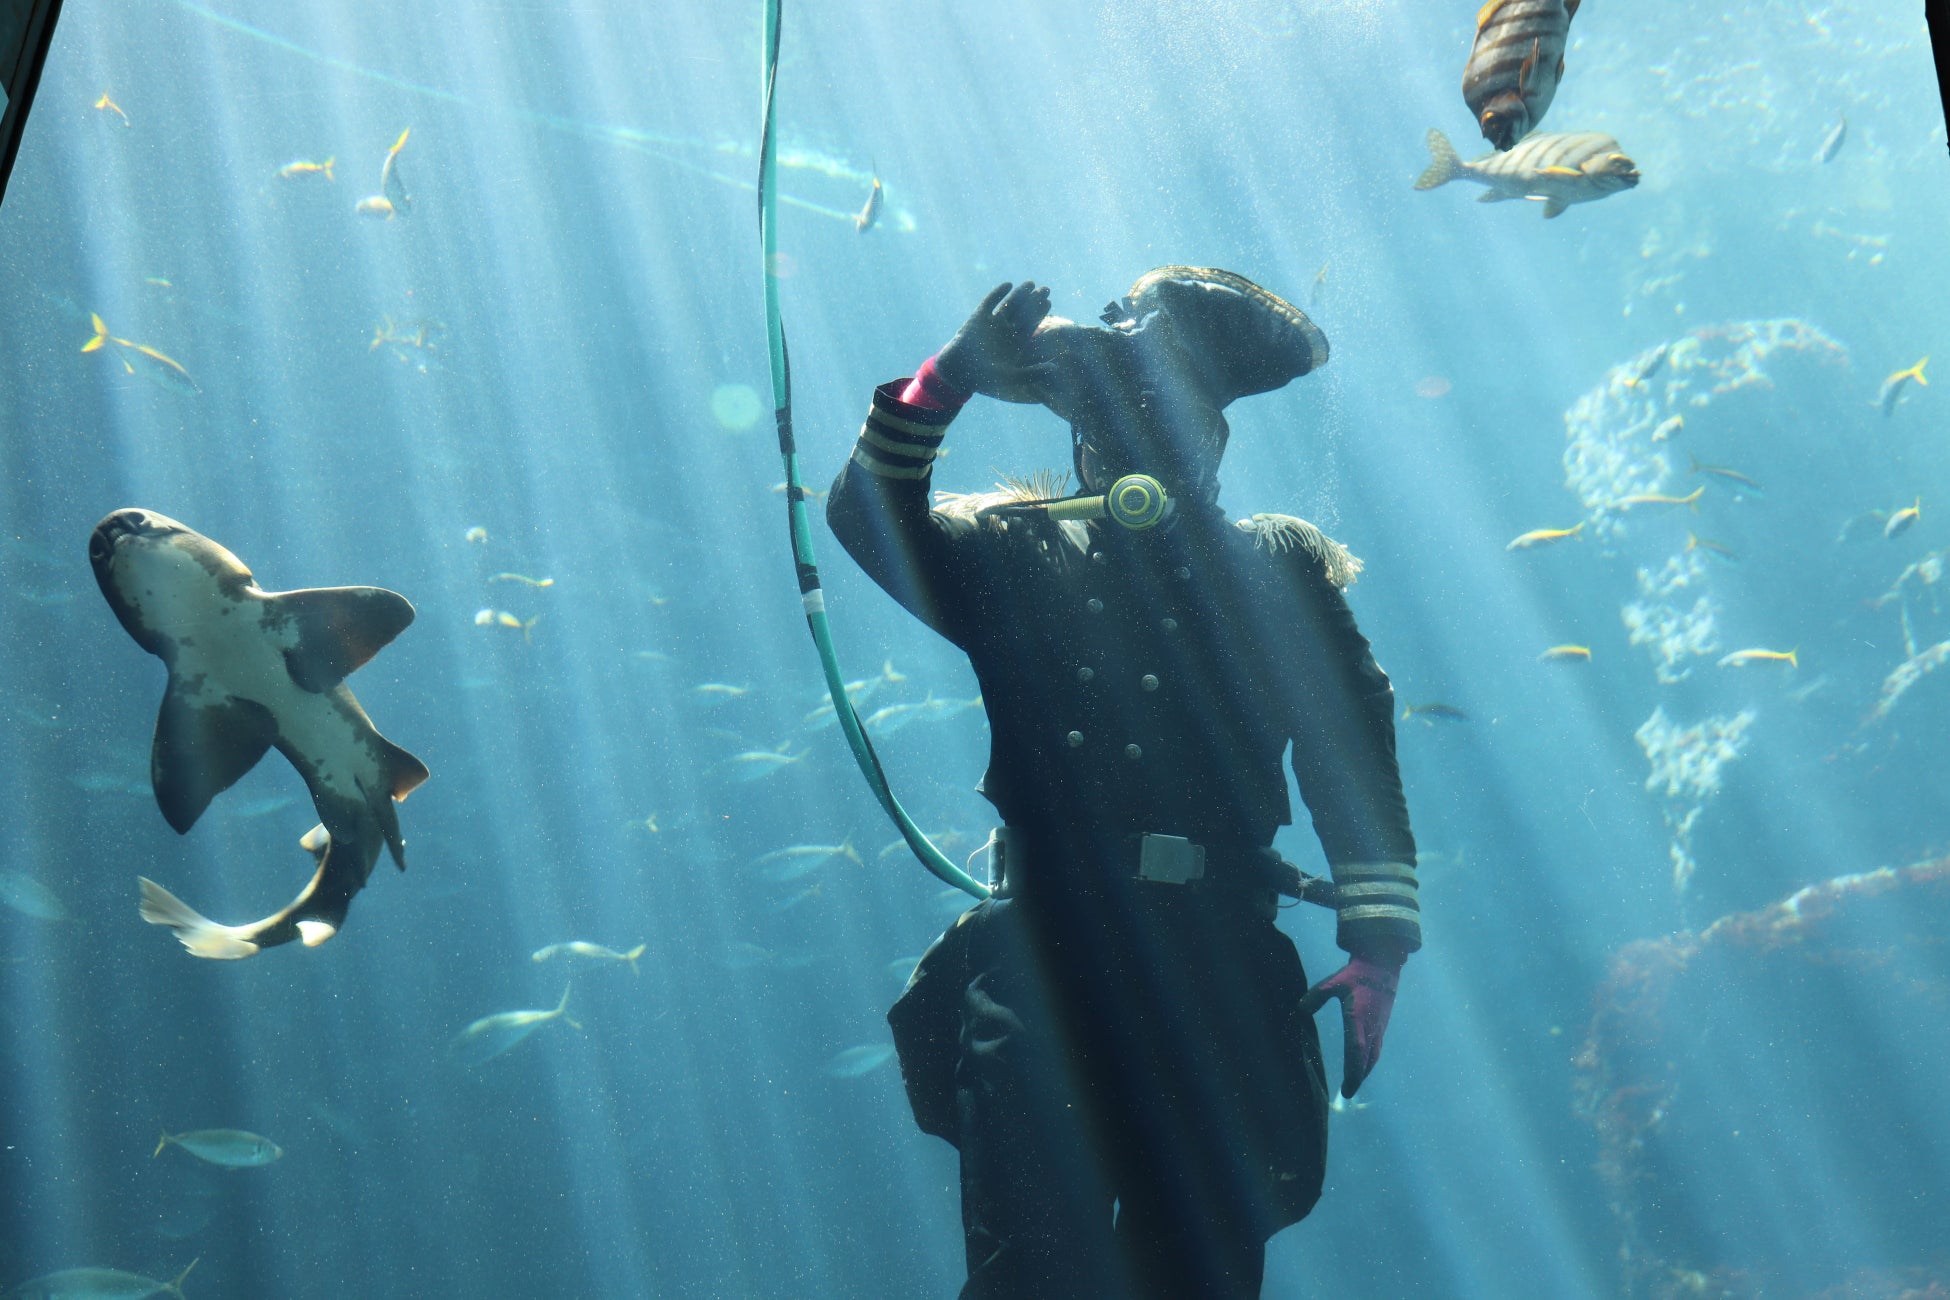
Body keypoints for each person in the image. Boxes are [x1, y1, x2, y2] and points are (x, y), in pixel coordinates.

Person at [826, 270, 1420, 1300]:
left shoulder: (1278, 574)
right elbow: (867, 517)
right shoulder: (1013, 551)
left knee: (1198, 1272)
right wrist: (946, 380)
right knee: (1029, 1268)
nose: (1147, 452)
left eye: (1174, 427)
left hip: (1220, 966)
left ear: (1215, 446)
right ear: (1081, 447)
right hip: (1048, 958)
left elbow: (1353, 751)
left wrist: (1379, 944)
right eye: (1118, 427)